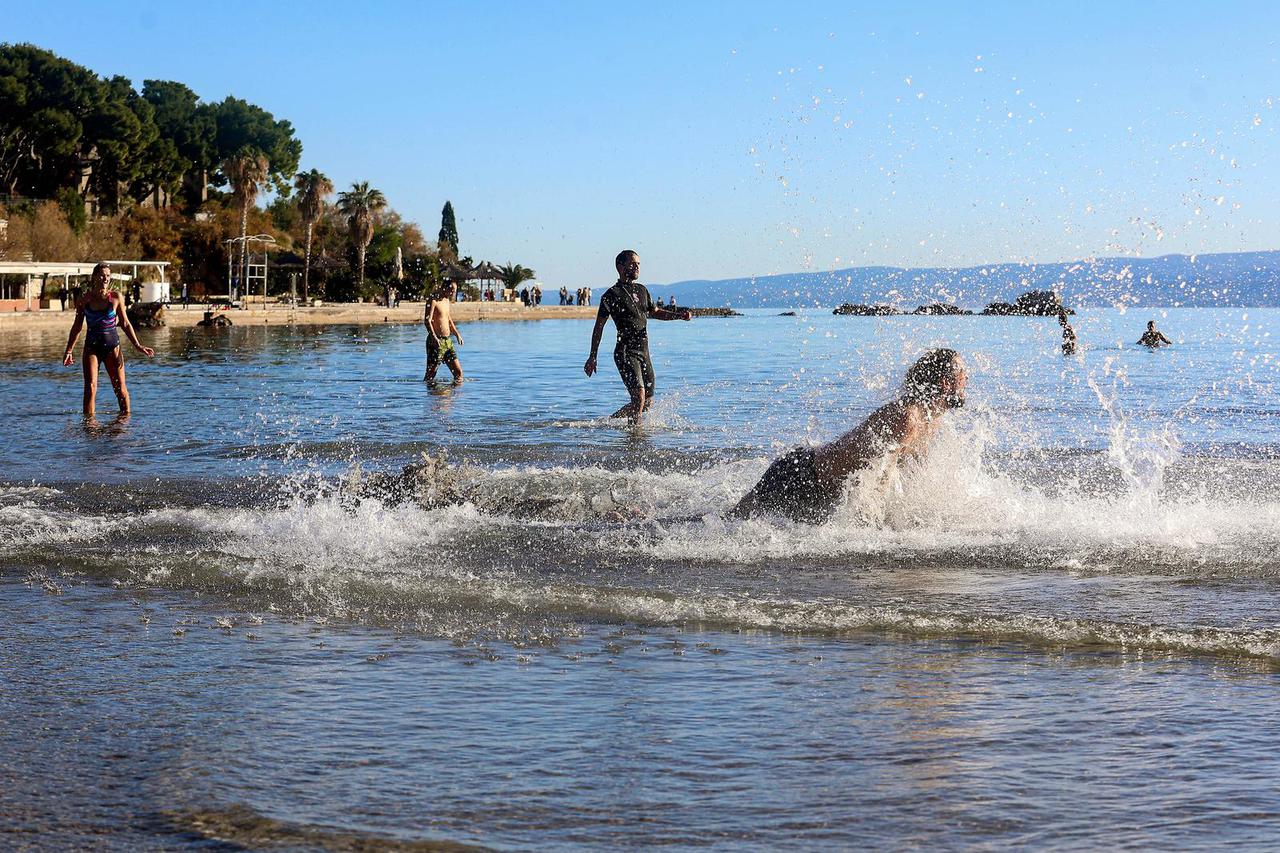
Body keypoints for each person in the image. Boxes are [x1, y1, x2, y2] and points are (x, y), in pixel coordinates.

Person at [730, 348, 968, 524]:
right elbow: (877, 476)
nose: (967, 378)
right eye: (962, 372)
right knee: (730, 525)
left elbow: (909, 477)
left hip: (823, 492)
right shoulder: (906, 419)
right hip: (800, 477)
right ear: (946, 383)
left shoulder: (931, 420)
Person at [584, 249, 692, 422]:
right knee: (639, 398)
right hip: (626, 352)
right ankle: (635, 438)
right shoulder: (611, 295)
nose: (637, 267)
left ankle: (609, 422)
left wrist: (678, 316)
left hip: (644, 352)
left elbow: (655, 312)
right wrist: (592, 356)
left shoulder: (642, 290)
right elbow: (599, 326)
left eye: (638, 264)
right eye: (632, 264)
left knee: (647, 402)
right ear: (620, 267)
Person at [61, 262, 156, 416]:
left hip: (112, 347)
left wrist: (138, 345)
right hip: (92, 348)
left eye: (108, 276)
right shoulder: (84, 300)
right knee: (90, 386)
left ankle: (125, 420)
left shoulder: (116, 297)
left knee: (120, 388)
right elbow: (77, 326)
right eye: (102, 275)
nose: (105, 279)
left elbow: (125, 323)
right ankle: (89, 424)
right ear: (94, 277)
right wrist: (69, 350)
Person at [425, 280, 464, 383]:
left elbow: (448, 319)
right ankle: (429, 398)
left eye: (454, 291)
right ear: (444, 287)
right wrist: (434, 337)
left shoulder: (446, 301)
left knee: (458, 373)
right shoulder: (433, 300)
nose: (452, 293)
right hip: (436, 341)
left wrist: (457, 334)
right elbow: (427, 321)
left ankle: (453, 397)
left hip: (448, 342)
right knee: (431, 374)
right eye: (451, 290)